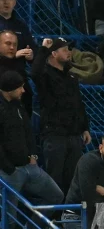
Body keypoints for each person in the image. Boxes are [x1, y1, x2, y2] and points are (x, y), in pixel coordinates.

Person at [31, 37, 87, 192]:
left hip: (74, 134)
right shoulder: (46, 76)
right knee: (54, 179)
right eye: (64, 49)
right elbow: (34, 73)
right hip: (55, 135)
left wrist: (85, 127)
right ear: (54, 54)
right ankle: (53, 215)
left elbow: (78, 103)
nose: (68, 52)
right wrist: (43, 49)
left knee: (72, 179)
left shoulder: (71, 77)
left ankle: (68, 215)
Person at [0, 70, 61, 203]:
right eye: (20, 87)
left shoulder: (19, 105)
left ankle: (31, 225)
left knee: (56, 196)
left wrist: (33, 156)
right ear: (10, 89)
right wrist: (9, 169)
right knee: (9, 218)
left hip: (29, 165)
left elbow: (29, 133)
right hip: (10, 171)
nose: (23, 90)